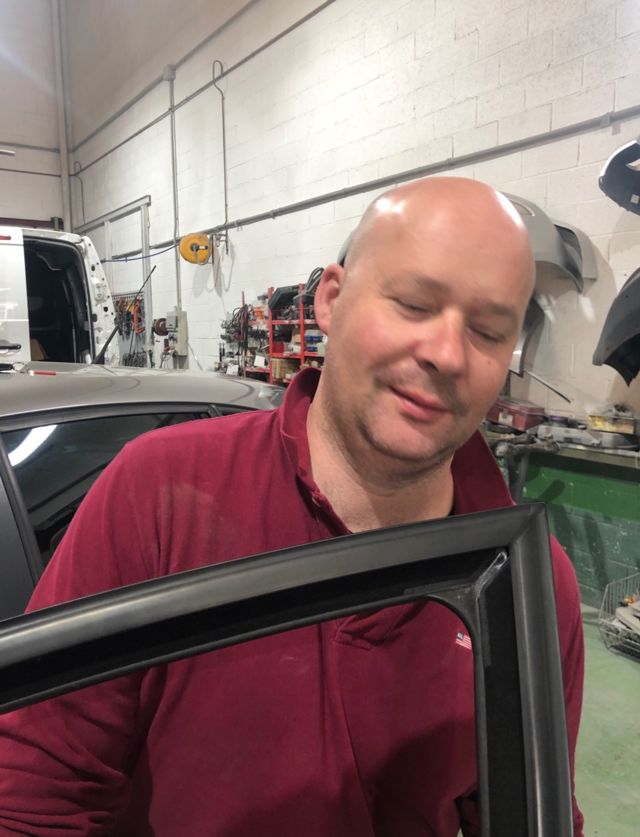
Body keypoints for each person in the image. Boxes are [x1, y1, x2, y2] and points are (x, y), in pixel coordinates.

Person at [0, 177, 584, 836]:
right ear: (330, 300)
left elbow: (530, 812)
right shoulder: (162, 492)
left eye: (487, 331)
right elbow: (34, 794)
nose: (448, 354)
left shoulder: (529, 585)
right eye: (414, 304)